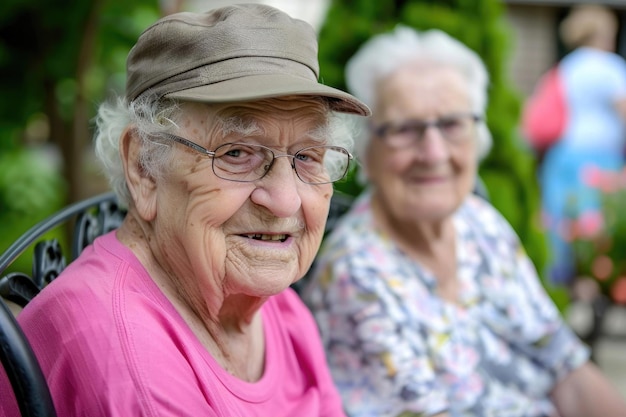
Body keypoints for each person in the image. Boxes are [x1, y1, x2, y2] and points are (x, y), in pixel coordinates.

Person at [0, 4, 370, 416]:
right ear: (144, 167)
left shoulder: (275, 307)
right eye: (237, 153)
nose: (285, 199)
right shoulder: (129, 362)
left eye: (308, 156)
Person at [301, 25, 626, 417]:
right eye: (406, 129)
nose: (434, 152)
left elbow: (568, 371)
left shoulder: (479, 223)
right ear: (368, 148)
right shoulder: (357, 276)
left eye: (452, 124)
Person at [539, 5, 626, 286]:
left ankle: (560, 286)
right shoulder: (610, 67)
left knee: (560, 224)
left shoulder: (566, 66)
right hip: (599, 157)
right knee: (596, 228)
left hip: (563, 153)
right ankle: (595, 286)